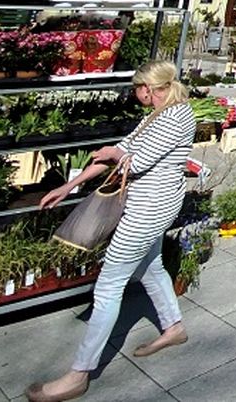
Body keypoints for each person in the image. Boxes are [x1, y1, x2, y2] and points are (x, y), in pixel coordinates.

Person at [27, 62, 195, 402]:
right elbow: (119, 154)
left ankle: (79, 374)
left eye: (137, 89)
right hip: (148, 206)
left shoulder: (178, 116)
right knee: (151, 265)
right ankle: (174, 327)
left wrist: (116, 153)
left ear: (149, 89)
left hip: (149, 210)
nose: (135, 95)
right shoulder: (156, 116)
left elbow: (136, 159)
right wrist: (70, 186)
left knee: (108, 287)